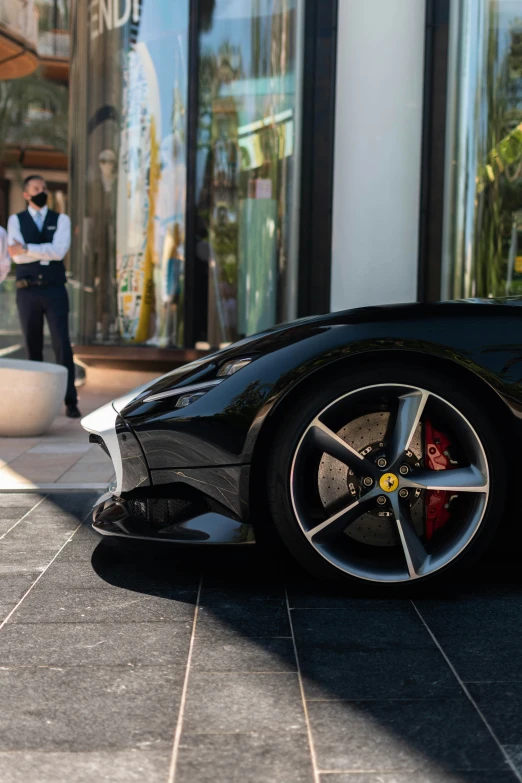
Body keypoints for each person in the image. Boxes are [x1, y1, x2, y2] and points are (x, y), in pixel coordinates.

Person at [7, 174, 81, 418]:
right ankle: (35, 404)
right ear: (26, 194)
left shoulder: (62, 219)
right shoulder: (15, 220)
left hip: (54, 289)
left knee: (62, 344)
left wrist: (27, 248)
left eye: (44, 187)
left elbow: (59, 252)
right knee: (33, 346)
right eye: (37, 188)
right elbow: (15, 257)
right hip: (27, 291)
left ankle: (70, 400)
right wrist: (40, 252)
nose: (42, 191)